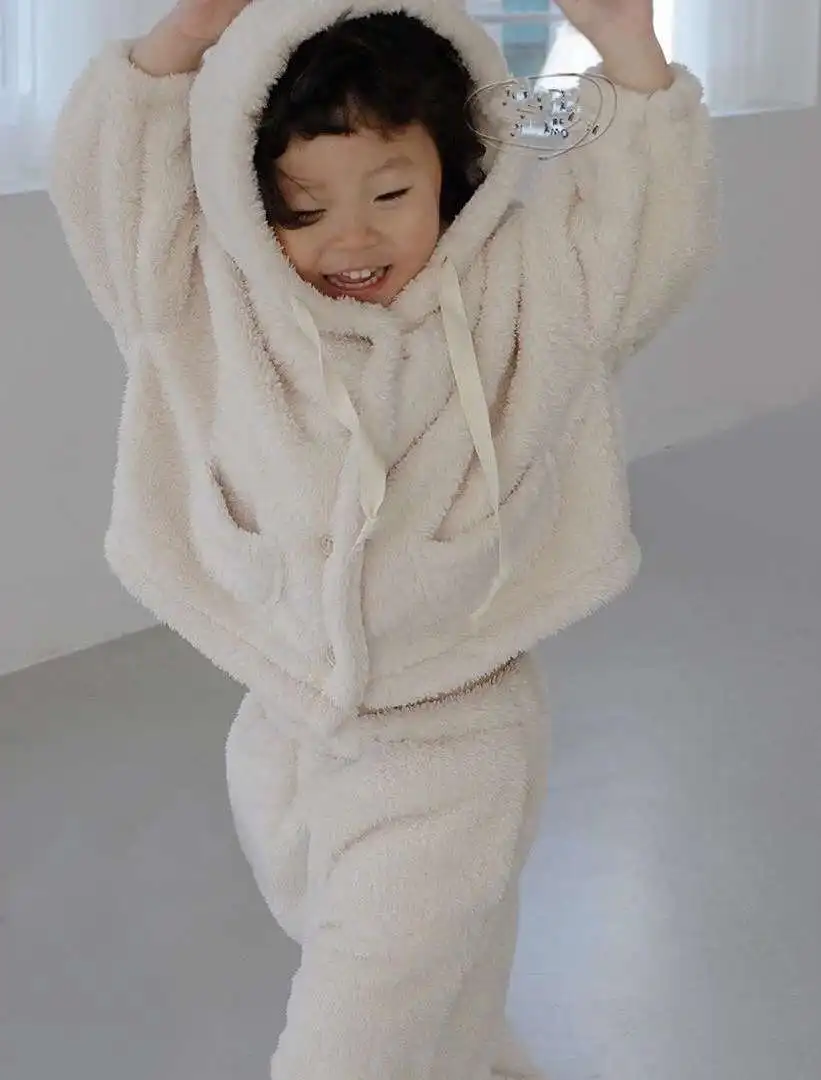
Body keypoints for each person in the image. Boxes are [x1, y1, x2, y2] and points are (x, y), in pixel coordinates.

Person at [49, 0, 716, 1076]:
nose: (351, 240)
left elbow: (640, 237)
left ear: (457, 170)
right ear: (246, 196)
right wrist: (185, 37)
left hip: (455, 740)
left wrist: (631, 53)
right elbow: (108, 187)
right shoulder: (204, 304)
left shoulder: (521, 296)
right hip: (283, 736)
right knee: (438, 1010)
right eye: (304, 208)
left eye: (392, 195)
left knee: (355, 1040)